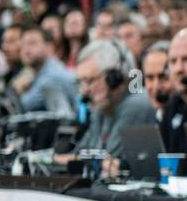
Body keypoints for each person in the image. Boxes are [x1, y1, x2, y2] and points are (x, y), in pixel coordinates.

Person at [68, 39, 159, 174]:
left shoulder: (137, 105)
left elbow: (106, 163)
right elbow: (80, 155)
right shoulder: (101, 108)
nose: (84, 90)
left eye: (90, 80)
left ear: (114, 78)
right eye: (81, 82)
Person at [16, 26, 79, 117]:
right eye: (22, 45)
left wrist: (18, 91)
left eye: (32, 43)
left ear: (49, 47)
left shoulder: (53, 74)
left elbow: (25, 105)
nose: (26, 49)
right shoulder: (37, 72)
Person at [157, 29, 187, 167]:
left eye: (186, 59)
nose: (179, 69)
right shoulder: (173, 105)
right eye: (173, 61)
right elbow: (159, 156)